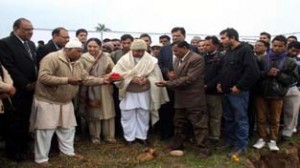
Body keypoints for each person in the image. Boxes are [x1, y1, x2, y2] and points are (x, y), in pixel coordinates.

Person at [30, 39, 110, 166]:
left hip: (66, 101)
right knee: (45, 130)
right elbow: (43, 77)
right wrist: (67, 80)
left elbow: (84, 78)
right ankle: (41, 158)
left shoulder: (77, 62)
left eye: (80, 51)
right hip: (48, 100)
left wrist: (101, 81)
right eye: (78, 51)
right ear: (67, 50)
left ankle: (67, 152)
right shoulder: (51, 58)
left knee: (67, 128)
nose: (80, 54)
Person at [156, 40, 210, 159]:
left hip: (194, 98)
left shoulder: (196, 59)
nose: (174, 54)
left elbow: (190, 78)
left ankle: (204, 148)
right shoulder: (177, 60)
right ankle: (178, 144)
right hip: (180, 98)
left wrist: (169, 83)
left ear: (185, 48)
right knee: (179, 123)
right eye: (173, 51)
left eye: (176, 50)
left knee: (199, 124)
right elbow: (178, 76)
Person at [112, 39, 168, 146]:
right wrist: (131, 79)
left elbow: (156, 76)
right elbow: (116, 75)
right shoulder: (123, 60)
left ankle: (142, 136)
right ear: (132, 50)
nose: (139, 53)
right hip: (129, 92)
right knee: (127, 115)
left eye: (142, 51)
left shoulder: (151, 60)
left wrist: (147, 80)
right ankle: (129, 138)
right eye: (137, 51)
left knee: (143, 115)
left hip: (144, 92)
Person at [217, 28, 259, 157]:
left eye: (223, 38)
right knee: (229, 118)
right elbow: (225, 70)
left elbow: (253, 72)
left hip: (238, 93)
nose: (221, 41)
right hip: (225, 91)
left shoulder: (245, 50)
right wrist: (220, 83)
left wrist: (239, 86)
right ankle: (230, 142)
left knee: (240, 119)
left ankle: (241, 146)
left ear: (232, 37)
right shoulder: (228, 52)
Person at [0, 18, 37, 162]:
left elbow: (33, 65)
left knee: (26, 120)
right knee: (14, 122)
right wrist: (25, 84)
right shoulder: (5, 43)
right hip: (14, 89)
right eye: (27, 29)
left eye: (31, 29)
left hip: (30, 89)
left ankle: (24, 147)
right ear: (16, 29)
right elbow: (9, 66)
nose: (31, 32)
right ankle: (13, 151)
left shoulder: (31, 44)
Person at [254, 35, 298, 151]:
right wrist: (266, 73)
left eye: (280, 46)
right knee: (261, 117)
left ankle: (273, 140)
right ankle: (262, 138)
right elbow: (255, 74)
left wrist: (279, 74)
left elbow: (292, 79)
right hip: (261, 92)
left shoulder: (290, 62)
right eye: (275, 46)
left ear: (285, 47)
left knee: (275, 119)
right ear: (271, 45)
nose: (277, 48)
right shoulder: (262, 59)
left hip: (278, 94)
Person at [80, 38, 116, 144]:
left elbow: (113, 70)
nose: (92, 49)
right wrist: (98, 80)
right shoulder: (83, 58)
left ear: (100, 47)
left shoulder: (106, 57)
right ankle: (95, 136)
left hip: (105, 88)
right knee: (94, 112)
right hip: (90, 87)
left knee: (107, 111)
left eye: (95, 46)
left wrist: (109, 76)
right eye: (89, 46)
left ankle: (109, 136)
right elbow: (82, 75)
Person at [203, 36, 224, 142]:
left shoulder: (221, 57)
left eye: (208, 45)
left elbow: (221, 75)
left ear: (215, 45)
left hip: (214, 92)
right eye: (204, 45)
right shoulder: (202, 57)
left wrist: (209, 85)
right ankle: (205, 135)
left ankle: (215, 136)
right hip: (202, 91)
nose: (205, 47)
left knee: (215, 115)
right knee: (204, 115)